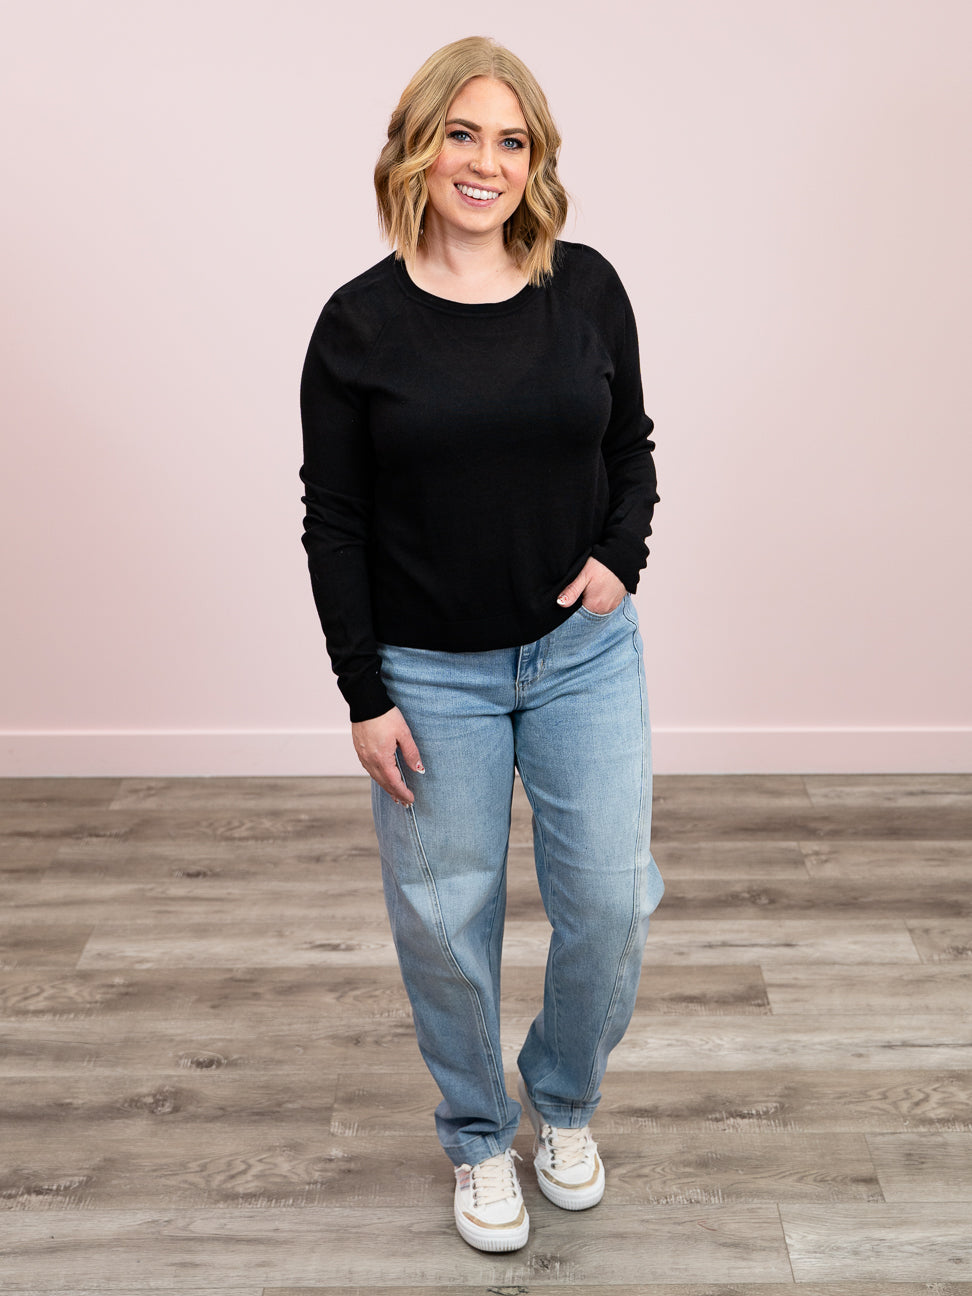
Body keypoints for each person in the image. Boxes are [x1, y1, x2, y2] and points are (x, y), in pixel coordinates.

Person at [299, 35, 664, 1252]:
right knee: (446, 926)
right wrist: (364, 692)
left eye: (512, 141)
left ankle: (562, 1102)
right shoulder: (357, 326)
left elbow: (631, 447)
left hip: (581, 657)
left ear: (535, 161)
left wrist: (621, 558)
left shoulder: (587, 288)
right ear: (418, 145)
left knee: (610, 903)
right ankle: (474, 1136)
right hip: (427, 676)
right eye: (462, 133)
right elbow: (335, 519)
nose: (486, 162)